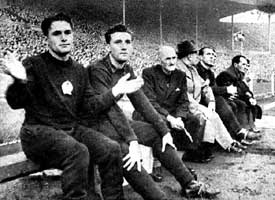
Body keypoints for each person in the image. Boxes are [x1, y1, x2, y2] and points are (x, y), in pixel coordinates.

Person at [85, 24, 220, 199]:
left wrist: (164, 131)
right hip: (93, 122)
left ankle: (189, 184)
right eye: (118, 42)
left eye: (128, 41)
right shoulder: (98, 70)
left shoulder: (126, 69)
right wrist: (132, 139)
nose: (124, 46)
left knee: (158, 134)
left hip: (112, 120)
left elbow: (142, 102)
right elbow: (109, 110)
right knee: (125, 150)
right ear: (108, 46)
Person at [1, 13, 125, 200]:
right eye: (57, 33)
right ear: (47, 39)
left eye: (67, 32)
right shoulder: (34, 64)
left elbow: (89, 106)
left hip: (69, 130)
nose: (64, 37)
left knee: (111, 148)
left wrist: (115, 91)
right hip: (37, 132)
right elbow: (15, 102)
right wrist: (20, 81)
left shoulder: (79, 70)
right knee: (78, 151)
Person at [132, 45, 208, 163]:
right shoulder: (149, 73)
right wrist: (170, 118)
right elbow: (150, 102)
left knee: (193, 120)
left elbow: (183, 101)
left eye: (173, 58)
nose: (172, 62)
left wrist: (179, 117)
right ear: (160, 60)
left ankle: (179, 157)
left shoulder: (180, 75)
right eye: (167, 59)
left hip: (172, 113)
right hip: (151, 112)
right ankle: (156, 162)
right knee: (160, 124)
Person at [176, 40, 245, 156]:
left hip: (195, 104)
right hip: (184, 104)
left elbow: (206, 87)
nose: (197, 57)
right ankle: (224, 144)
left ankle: (226, 144)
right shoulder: (178, 69)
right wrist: (198, 106)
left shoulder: (192, 69)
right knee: (209, 116)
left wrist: (211, 101)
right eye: (195, 54)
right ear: (189, 55)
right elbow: (182, 93)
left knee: (212, 114)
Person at [196, 47, 256, 144]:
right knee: (223, 100)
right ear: (200, 57)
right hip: (198, 100)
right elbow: (208, 90)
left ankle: (235, 138)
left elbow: (214, 89)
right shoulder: (196, 70)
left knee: (234, 104)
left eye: (214, 55)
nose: (212, 57)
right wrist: (227, 90)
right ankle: (238, 132)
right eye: (209, 54)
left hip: (209, 99)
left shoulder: (210, 73)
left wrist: (228, 94)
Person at [216, 55, 262, 141]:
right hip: (224, 99)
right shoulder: (226, 74)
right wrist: (246, 97)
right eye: (243, 64)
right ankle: (241, 132)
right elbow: (233, 91)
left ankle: (248, 128)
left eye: (246, 65)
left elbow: (243, 89)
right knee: (241, 104)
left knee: (246, 103)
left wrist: (249, 96)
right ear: (236, 65)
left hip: (233, 98)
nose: (245, 67)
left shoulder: (238, 75)